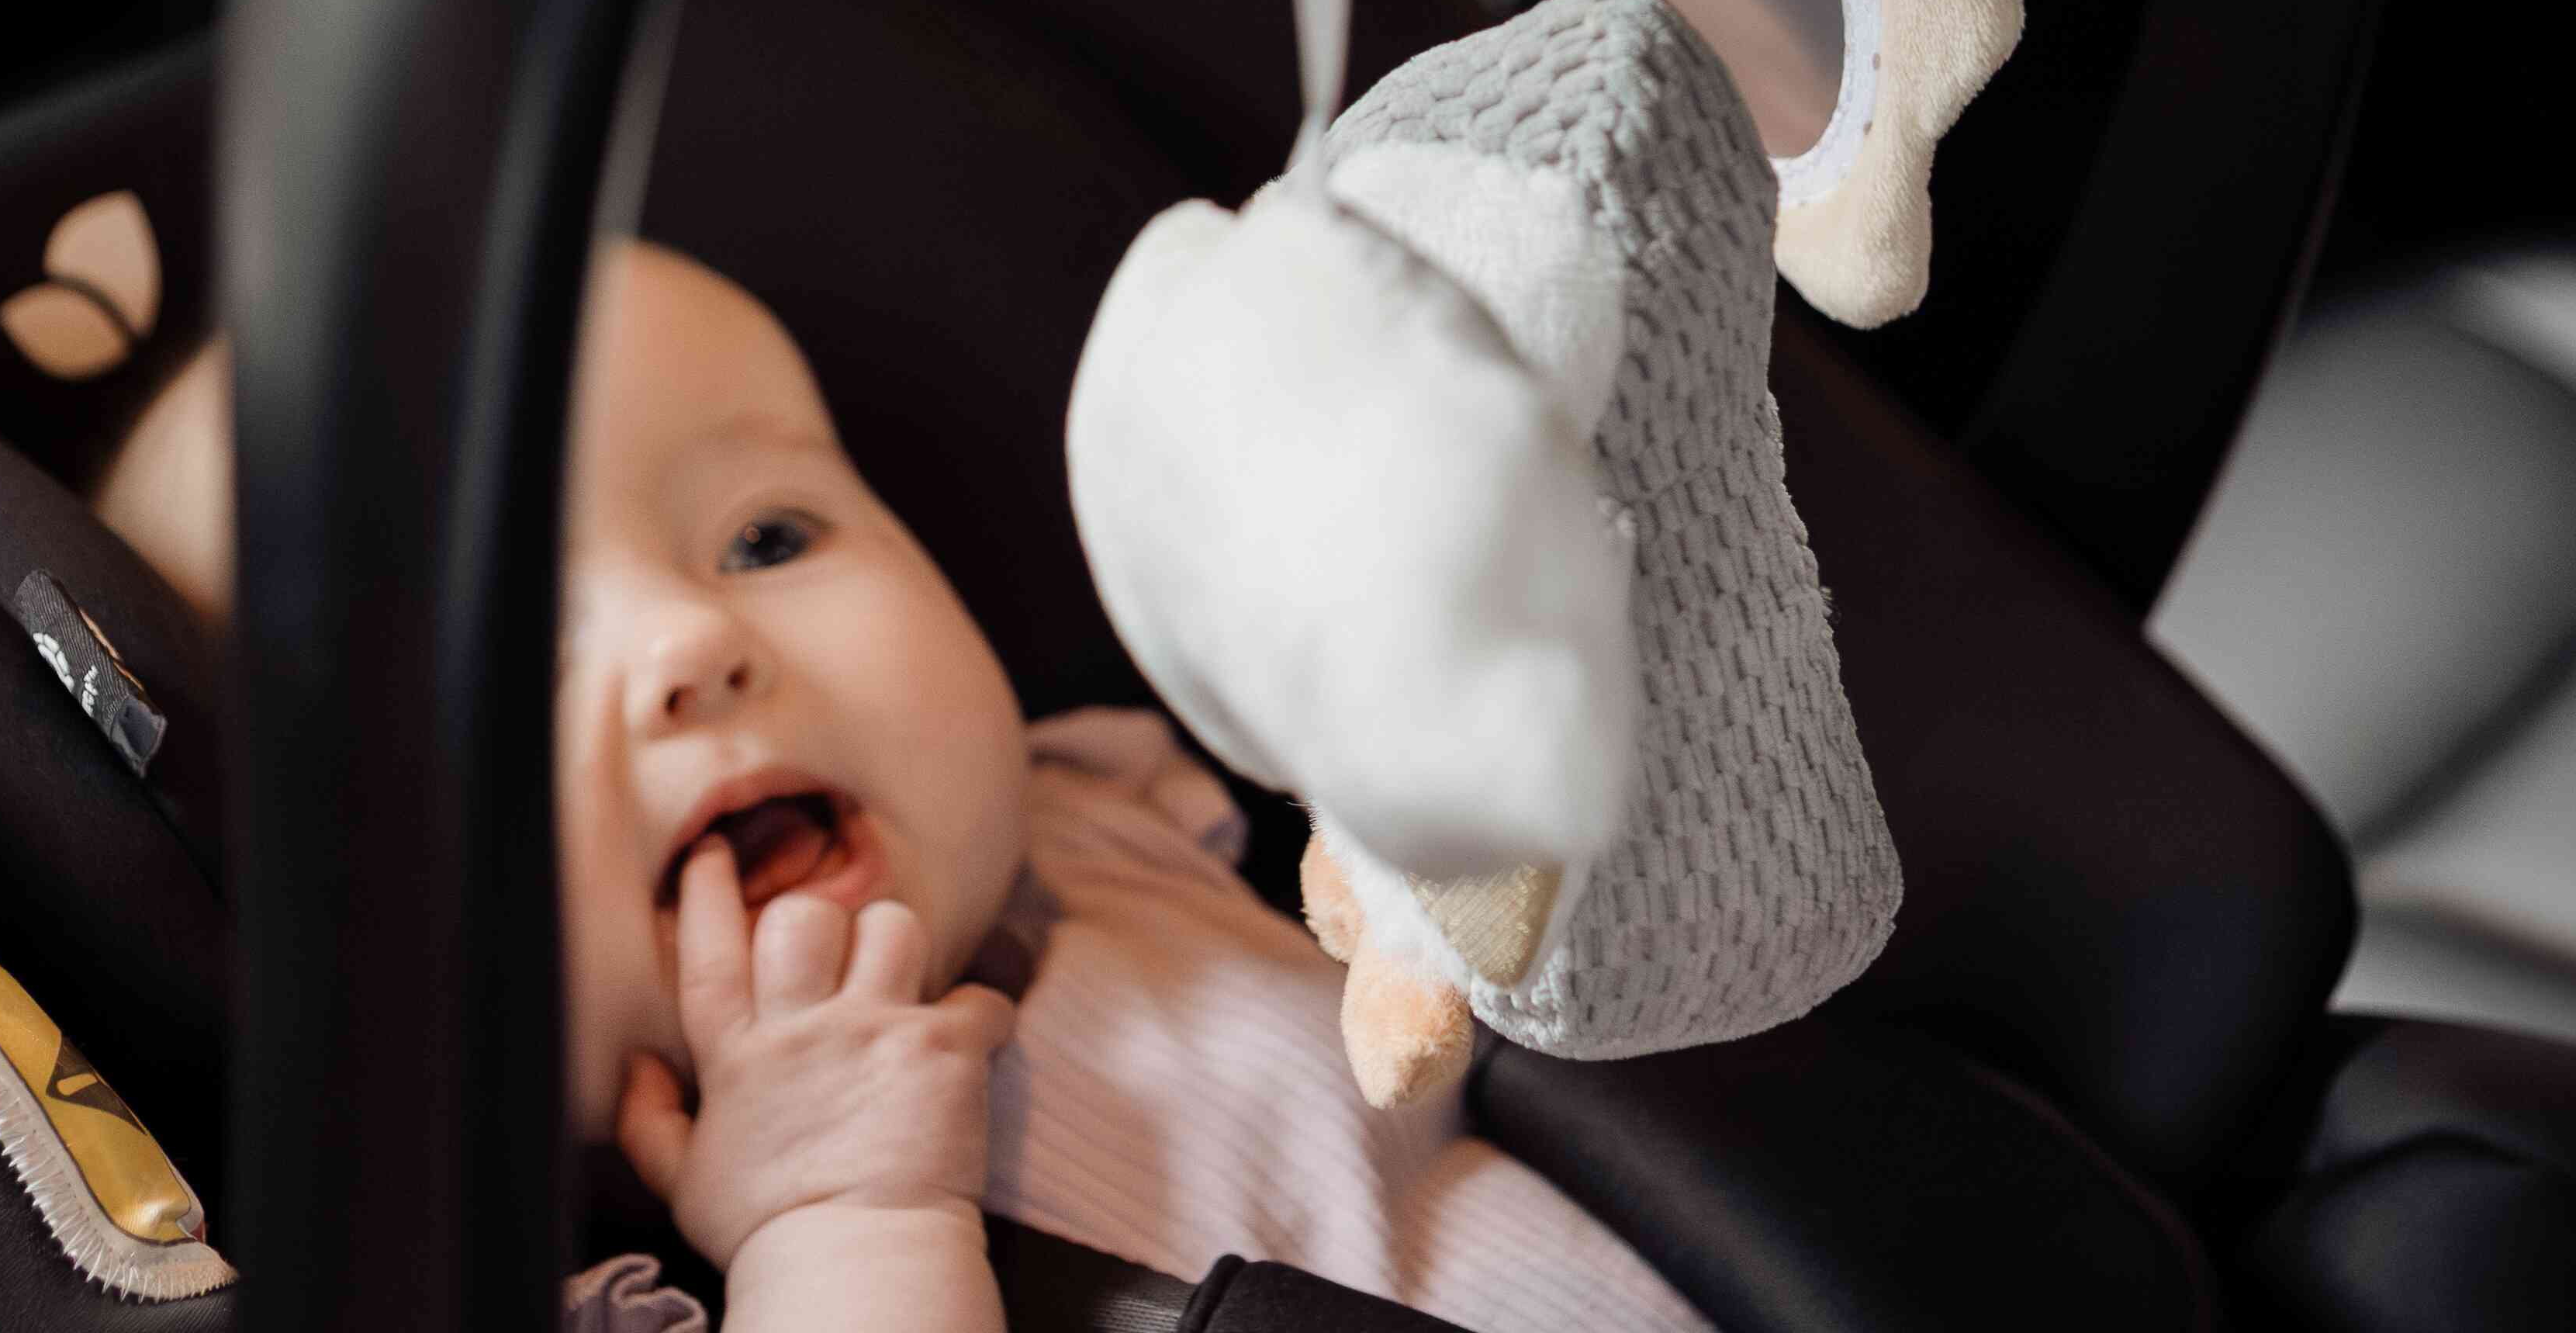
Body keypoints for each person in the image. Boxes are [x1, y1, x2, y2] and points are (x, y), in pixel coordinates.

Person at [94, 241, 1706, 1333]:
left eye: (768, 536)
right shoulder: (623, 1287)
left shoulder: (1093, 813)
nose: (692, 638)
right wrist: (835, 1220)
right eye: (498, 672)